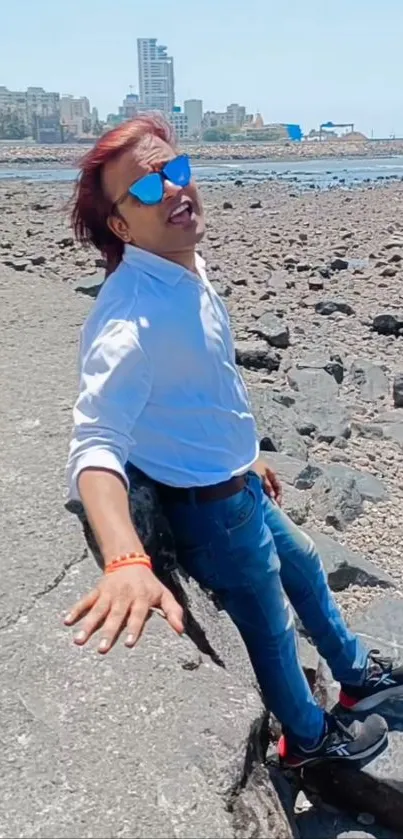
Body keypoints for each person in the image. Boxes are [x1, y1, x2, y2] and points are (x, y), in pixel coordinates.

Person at [65, 115, 403, 769]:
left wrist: (246, 452)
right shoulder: (129, 319)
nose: (172, 189)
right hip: (211, 512)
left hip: (238, 481)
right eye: (145, 188)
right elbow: (95, 442)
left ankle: (357, 674)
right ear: (119, 225)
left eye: (176, 169)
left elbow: (206, 382)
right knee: (270, 626)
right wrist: (125, 561)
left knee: (304, 564)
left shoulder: (180, 264)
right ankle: (309, 738)